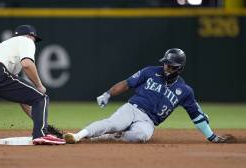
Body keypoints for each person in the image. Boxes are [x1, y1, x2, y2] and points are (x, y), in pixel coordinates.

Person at [63, 48, 231, 144]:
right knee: (113, 123)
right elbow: (126, 83)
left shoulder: (185, 91)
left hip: (149, 122)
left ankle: (110, 137)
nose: (166, 67)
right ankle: (79, 135)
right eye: (165, 63)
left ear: (179, 68)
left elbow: (197, 116)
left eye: (171, 66)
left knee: (140, 136)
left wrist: (212, 136)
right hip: (133, 108)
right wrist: (108, 94)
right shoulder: (150, 71)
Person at [0, 24, 66, 145]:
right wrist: (39, 85)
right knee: (41, 98)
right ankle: (41, 134)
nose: (34, 42)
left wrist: (39, 120)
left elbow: (23, 98)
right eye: (34, 39)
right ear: (30, 35)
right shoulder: (26, 41)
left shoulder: (4, 47)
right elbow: (27, 64)